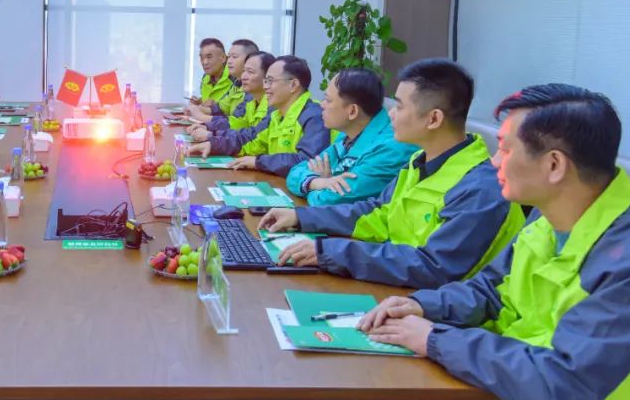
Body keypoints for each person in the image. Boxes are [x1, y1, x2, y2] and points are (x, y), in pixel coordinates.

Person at [356, 84, 630, 400]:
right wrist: (421, 306)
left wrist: (434, 339)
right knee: (380, 391)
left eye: (506, 150)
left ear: (554, 165)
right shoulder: (547, 218)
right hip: (517, 396)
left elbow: (565, 382)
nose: (494, 162)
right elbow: (491, 291)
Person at [259, 58, 524, 289]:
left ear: (433, 119)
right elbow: (377, 213)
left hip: (435, 310)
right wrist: (301, 217)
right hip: (399, 287)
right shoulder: (420, 162)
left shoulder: (480, 187)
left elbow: (434, 267)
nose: (391, 114)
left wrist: (332, 252)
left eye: (399, 106)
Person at [285, 68, 417, 206]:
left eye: (328, 100)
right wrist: (316, 182)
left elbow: (328, 200)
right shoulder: (349, 134)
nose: (322, 105)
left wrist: (321, 184)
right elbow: (295, 172)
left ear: (352, 111)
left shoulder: (391, 148)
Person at [189, 55, 330, 177]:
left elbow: (307, 162)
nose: (265, 87)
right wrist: (214, 144)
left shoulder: (314, 116)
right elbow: (251, 141)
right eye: (265, 81)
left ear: (293, 85)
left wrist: (259, 162)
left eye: (270, 81)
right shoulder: (277, 115)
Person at [188, 51, 273, 142]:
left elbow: (254, 135)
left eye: (250, 72)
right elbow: (237, 123)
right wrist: (208, 127)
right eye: (244, 71)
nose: (244, 76)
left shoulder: (273, 105)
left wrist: (211, 135)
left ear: (267, 77)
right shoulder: (251, 101)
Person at [188, 39, 259, 123]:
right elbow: (221, 108)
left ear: (250, 60)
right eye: (229, 57)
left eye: (234, 57)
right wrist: (197, 108)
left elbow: (235, 122)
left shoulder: (253, 89)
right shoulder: (237, 84)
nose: (229, 61)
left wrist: (200, 116)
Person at [190, 38, 231, 106]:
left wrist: (215, 107)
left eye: (209, 57)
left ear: (223, 58)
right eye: (201, 58)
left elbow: (238, 109)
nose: (204, 62)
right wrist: (199, 102)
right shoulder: (205, 77)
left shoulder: (235, 79)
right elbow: (209, 101)